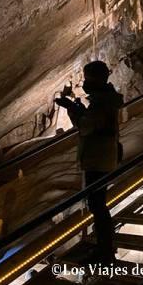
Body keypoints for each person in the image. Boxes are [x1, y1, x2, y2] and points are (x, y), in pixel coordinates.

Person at [55, 61, 123, 263]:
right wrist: (79, 109)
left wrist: (73, 111)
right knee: (98, 204)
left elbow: (87, 127)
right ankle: (104, 246)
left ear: (97, 79)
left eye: (87, 78)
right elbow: (94, 121)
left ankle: (105, 251)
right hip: (102, 156)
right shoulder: (105, 99)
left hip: (98, 158)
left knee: (98, 205)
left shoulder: (102, 102)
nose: (85, 82)